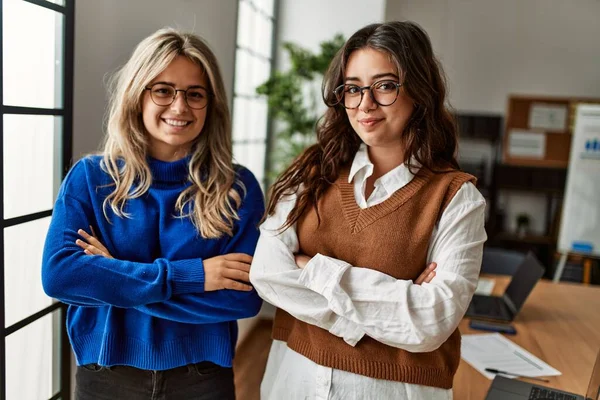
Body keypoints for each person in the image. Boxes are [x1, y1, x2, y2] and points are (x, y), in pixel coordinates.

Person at [249, 21, 486, 399]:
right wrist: (387, 309)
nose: (365, 104)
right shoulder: (312, 172)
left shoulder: (456, 197)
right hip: (294, 383)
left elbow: (431, 320)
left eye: (385, 86)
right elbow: (267, 273)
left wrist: (313, 268)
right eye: (353, 89)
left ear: (420, 91)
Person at [41, 28, 264, 399]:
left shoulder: (237, 187)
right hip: (106, 377)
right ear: (137, 95)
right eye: (162, 90)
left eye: (195, 94)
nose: (179, 107)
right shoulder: (91, 178)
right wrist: (195, 275)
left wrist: (113, 274)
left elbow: (243, 298)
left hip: (202, 379)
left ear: (211, 104)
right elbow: (61, 277)